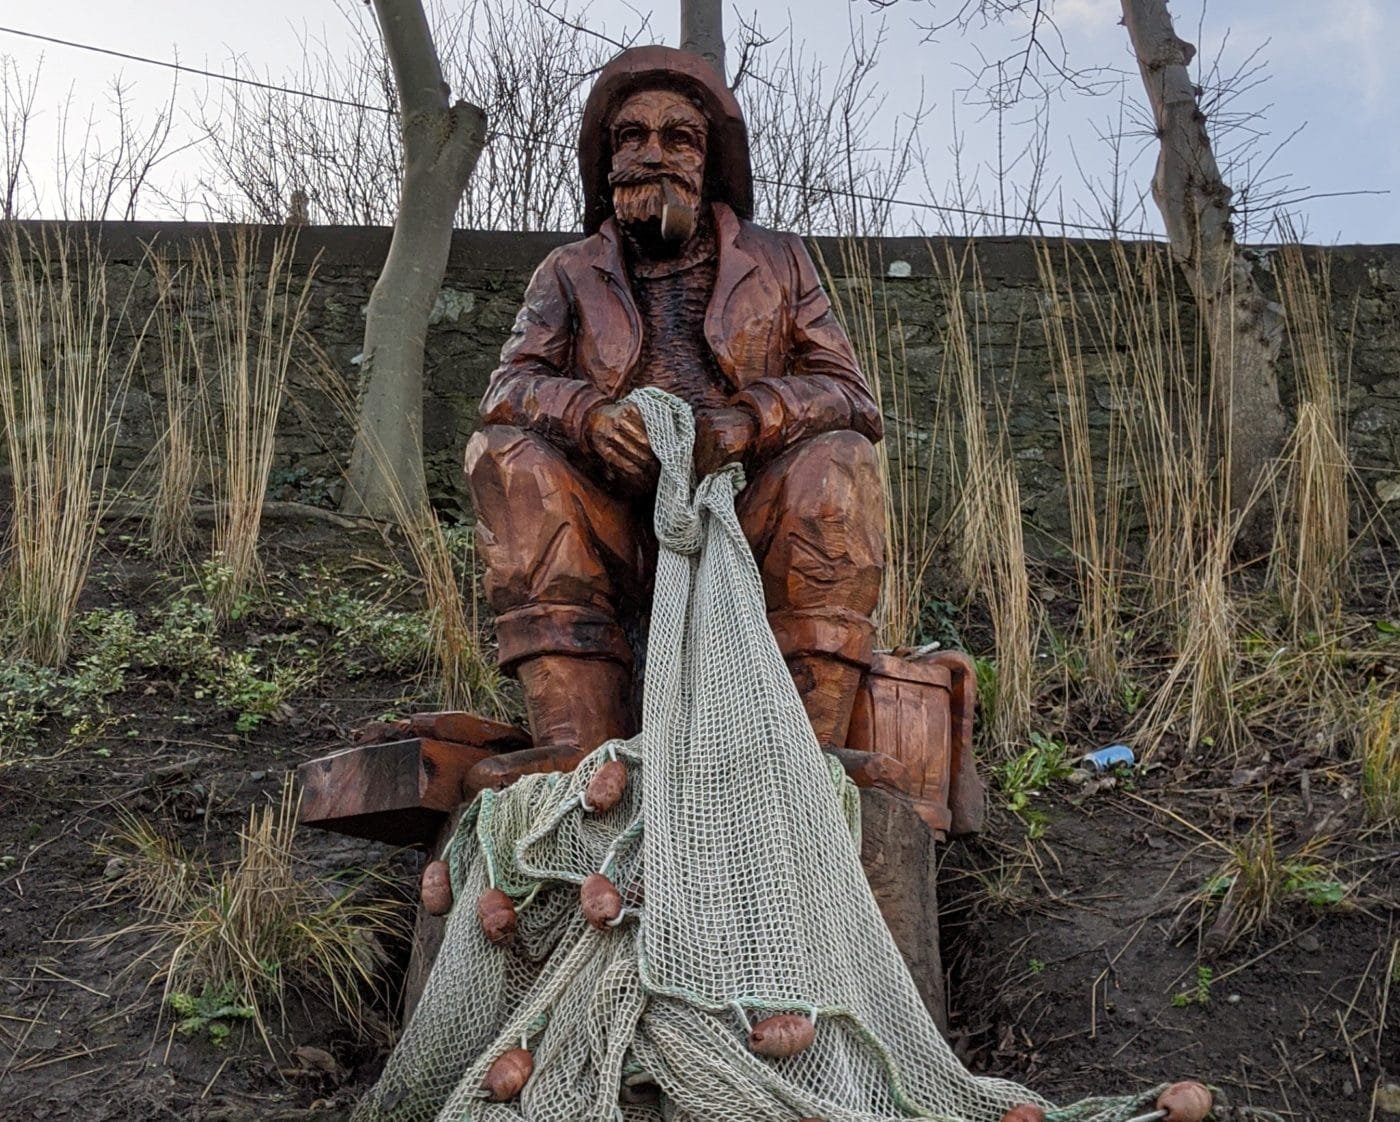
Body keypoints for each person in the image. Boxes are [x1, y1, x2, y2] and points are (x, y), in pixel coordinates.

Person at [465, 45, 886, 787]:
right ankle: (580, 749)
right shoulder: (568, 270)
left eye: (677, 138)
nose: (651, 154)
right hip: (615, 527)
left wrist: (754, 420)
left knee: (840, 461)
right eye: (631, 137)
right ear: (605, 159)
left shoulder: (781, 261)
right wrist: (589, 415)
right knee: (505, 456)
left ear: (710, 161)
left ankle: (801, 749)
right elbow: (509, 385)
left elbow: (849, 392)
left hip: (743, 515)